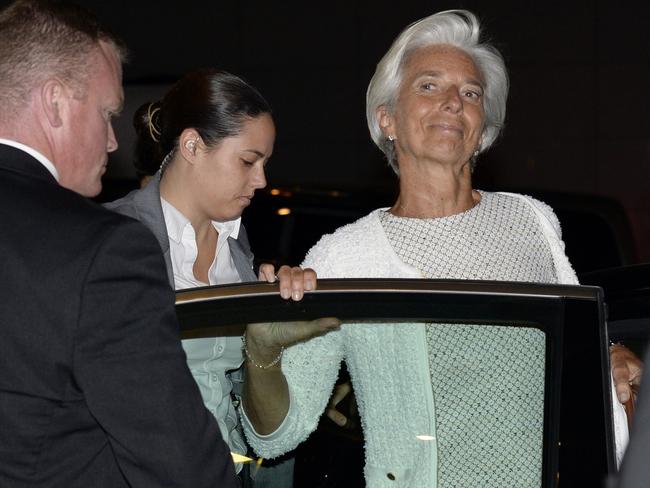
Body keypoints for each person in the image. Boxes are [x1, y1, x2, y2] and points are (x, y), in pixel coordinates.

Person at [240, 9, 641, 487]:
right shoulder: (344, 257)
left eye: (470, 93)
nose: (453, 102)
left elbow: (580, 341)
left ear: (482, 128)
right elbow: (273, 438)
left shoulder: (531, 220)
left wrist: (613, 354)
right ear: (387, 118)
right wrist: (261, 351)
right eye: (428, 86)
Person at [0, 1, 238, 486]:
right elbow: (178, 463)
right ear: (54, 104)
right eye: (107, 113)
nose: (112, 141)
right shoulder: (101, 251)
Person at [105, 68, 332, 486]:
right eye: (248, 161)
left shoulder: (239, 251)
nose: (262, 180)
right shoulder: (112, 239)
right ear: (192, 145)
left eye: (264, 163)